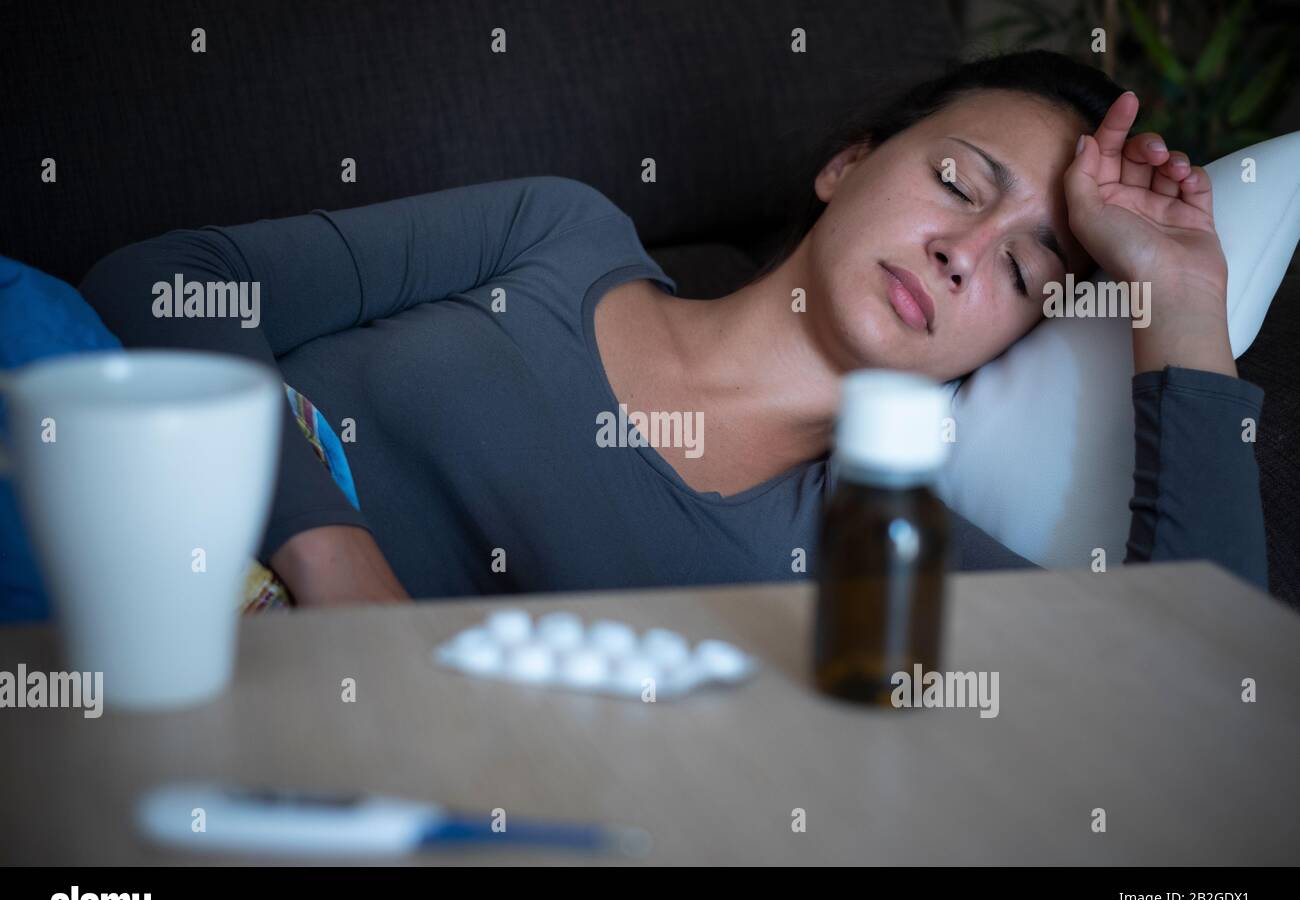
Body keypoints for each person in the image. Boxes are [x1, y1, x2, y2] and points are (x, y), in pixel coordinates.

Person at [80, 50, 1266, 608]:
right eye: (958, 182)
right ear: (843, 164)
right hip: (102, 525)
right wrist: (331, 555)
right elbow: (169, 277)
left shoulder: (877, 548)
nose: (967, 251)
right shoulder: (559, 235)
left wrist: (1180, 300)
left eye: (1022, 265)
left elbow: (1188, 684)